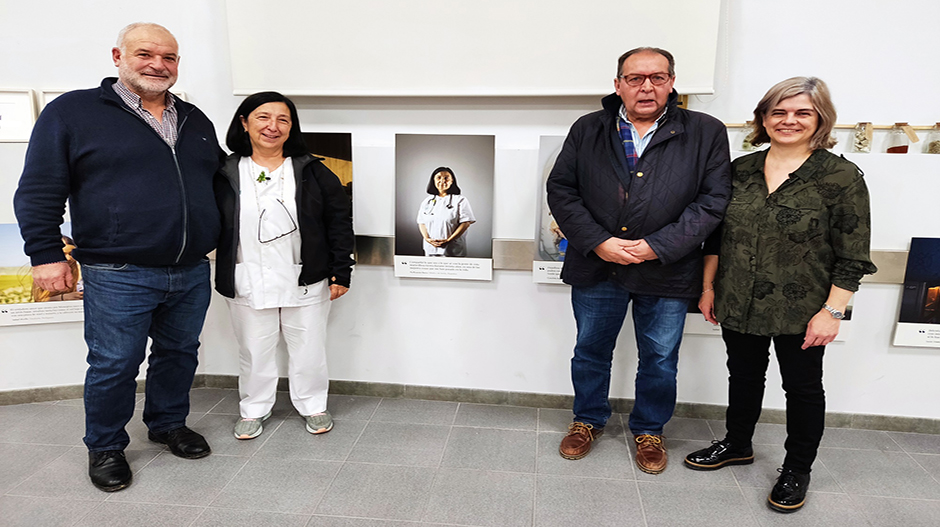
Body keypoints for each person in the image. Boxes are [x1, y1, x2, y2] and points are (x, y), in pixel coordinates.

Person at [13, 23, 222, 492]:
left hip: (189, 269)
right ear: (117, 56)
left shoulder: (193, 119)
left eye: (169, 57)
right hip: (117, 271)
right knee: (114, 363)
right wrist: (46, 254)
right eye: (145, 53)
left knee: (179, 354)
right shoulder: (73, 112)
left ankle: (167, 423)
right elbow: (39, 189)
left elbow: (218, 186)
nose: (158, 65)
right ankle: (105, 445)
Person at [683, 77, 877, 513]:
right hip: (738, 299)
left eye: (801, 112)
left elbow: (853, 254)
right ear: (764, 118)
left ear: (820, 119)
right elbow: (714, 238)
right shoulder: (740, 171)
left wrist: (833, 311)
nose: (789, 120)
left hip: (804, 308)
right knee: (744, 376)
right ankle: (737, 443)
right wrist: (708, 287)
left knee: (803, 388)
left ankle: (797, 468)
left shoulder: (840, 176)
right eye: (779, 112)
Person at [546, 47, 731, 474]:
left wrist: (656, 246)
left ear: (671, 82)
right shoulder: (588, 128)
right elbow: (562, 190)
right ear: (618, 85)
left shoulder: (705, 131)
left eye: (658, 77)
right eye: (635, 78)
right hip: (598, 266)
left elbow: (713, 201)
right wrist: (598, 242)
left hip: (668, 268)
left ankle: (649, 429)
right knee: (591, 350)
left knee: (660, 357)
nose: (646, 86)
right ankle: (587, 420)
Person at [215, 92, 355, 440]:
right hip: (247, 275)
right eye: (263, 118)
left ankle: (312, 404)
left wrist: (342, 270)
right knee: (253, 348)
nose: (272, 127)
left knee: (308, 347)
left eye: (283, 119)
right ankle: (254, 408)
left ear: (292, 127)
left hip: (305, 276)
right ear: (244, 123)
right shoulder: (227, 172)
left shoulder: (313, 171)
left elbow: (339, 221)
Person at [416, 167, 475, 256]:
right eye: (439, 177)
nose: (442, 181)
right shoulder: (427, 201)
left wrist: (449, 240)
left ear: (452, 181)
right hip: (431, 248)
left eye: (446, 178)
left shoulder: (460, 200)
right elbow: (421, 222)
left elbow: (466, 223)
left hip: (453, 249)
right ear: (434, 181)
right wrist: (427, 238)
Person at [32, 236, 82, 302]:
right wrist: (63, 297)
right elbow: (39, 300)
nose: (68, 258)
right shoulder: (45, 273)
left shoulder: (84, 271)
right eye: (63, 254)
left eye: (70, 254)